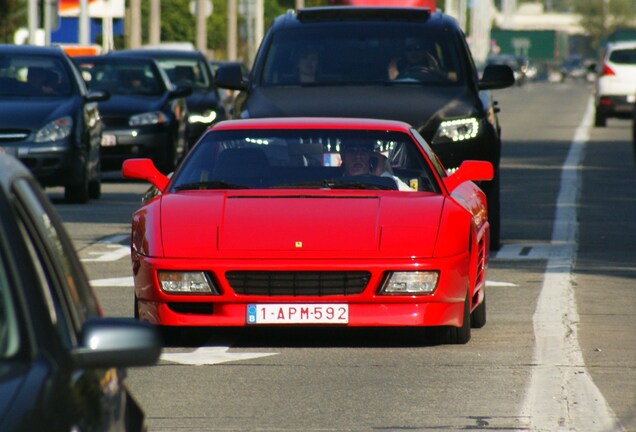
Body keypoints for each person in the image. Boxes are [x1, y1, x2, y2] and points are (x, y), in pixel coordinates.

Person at [340, 142, 414, 191]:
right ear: (342, 156)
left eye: (364, 150)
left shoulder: (385, 183)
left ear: (371, 155)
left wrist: (382, 174)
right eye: (352, 150)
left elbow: (411, 196)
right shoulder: (330, 183)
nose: (358, 156)